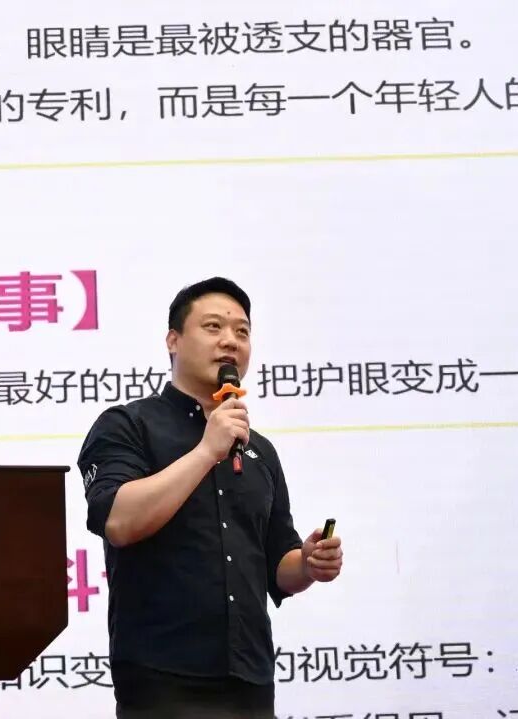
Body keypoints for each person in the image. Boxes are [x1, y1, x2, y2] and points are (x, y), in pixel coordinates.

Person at [77, 276, 344, 718]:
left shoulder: (259, 450)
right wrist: (206, 451)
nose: (230, 341)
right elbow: (119, 522)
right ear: (173, 340)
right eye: (214, 327)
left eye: (242, 331)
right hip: (161, 677)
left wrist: (309, 563)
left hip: (250, 678)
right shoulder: (128, 425)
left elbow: (278, 566)